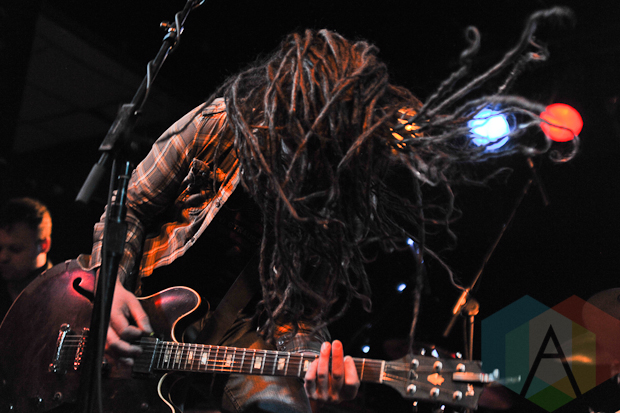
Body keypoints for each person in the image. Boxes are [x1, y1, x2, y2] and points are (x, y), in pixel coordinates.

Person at [84, 12, 577, 412]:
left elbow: (298, 320)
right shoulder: (220, 123)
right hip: (142, 302)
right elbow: (130, 206)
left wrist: (319, 371)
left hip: (235, 338)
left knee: (284, 407)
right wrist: (111, 293)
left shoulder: (337, 201)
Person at [0, 197, 53, 320]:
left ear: (44, 245)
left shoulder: (64, 295)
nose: (3, 257)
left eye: (15, 249)